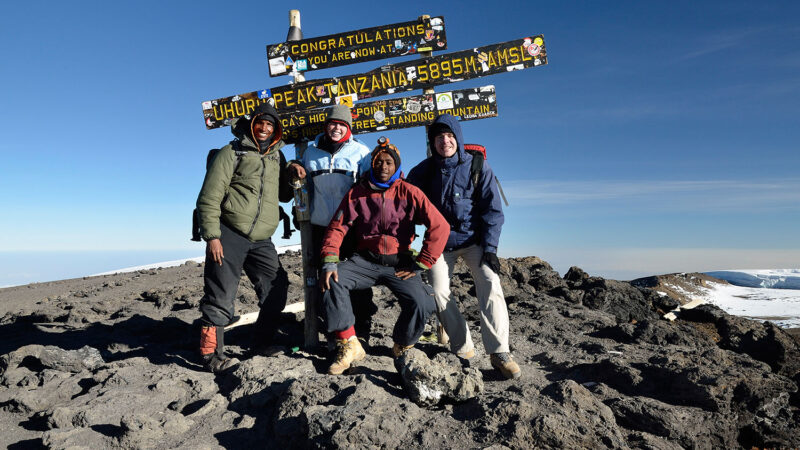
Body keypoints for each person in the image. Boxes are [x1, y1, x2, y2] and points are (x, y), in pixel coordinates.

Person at [320, 137, 450, 375]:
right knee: (331, 279)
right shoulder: (357, 192)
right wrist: (330, 260)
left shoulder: (410, 192)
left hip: (400, 263)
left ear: (396, 165)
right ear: (372, 164)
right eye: (378, 162)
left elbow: (440, 226)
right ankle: (349, 343)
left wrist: (422, 262)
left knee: (423, 302)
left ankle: (402, 343)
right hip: (365, 261)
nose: (383, 167)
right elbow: (337, 227)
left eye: (389, 162)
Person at [406, 114, 522, 380]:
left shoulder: (477, 166)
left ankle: (499, 352)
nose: (444, 142)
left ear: (457, 138)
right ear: (432, 142)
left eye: (449, 136)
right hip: (440, 244)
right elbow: (405, 207)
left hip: (474, 241)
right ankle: (463, 348)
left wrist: (490, 249)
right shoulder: (422, 172)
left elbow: (493, 211)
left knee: (490, 283)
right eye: (438, 137)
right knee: (438, 291)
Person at [195, 102, 293, 373]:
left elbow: (284, 195)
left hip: (262, 239)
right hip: (229, 232)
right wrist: (212, 236)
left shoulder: (277, 157)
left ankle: (261, 343)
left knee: (276, 289)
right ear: (252, 124)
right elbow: (209, 196)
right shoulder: (232, 151)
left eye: (270, 124)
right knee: (220, 293)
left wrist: (293, 175)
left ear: (276, 129)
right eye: (260, 122)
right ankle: (211, 355)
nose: (264, 128)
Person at [286, 105, 377, 342]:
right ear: (326, 126)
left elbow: (370, 188)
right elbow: (301, 183)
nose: (336, 128)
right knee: (322, 280)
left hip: (351, 229)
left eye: (341, 125)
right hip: (319, 227)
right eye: (332, 123)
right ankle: (332, 330)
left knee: (356, 281)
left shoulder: (361, 152)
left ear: (348, 128)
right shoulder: (311, 153)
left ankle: (361, 330)